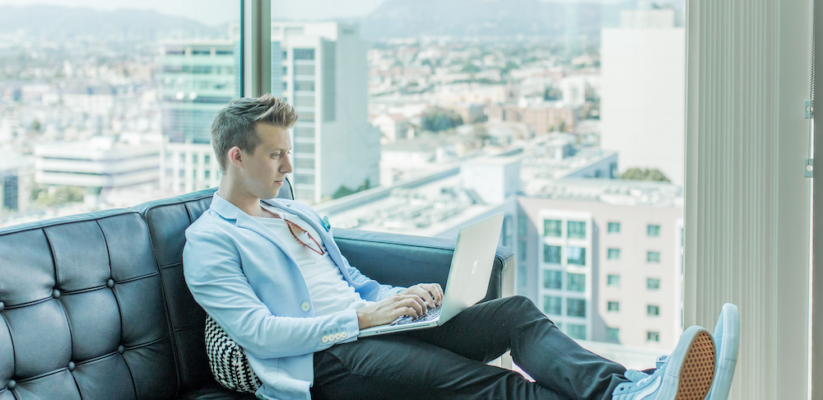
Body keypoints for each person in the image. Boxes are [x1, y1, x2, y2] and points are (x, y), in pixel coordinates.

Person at [183, 95, 728, 400]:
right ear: (236, 156)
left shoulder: (294, 211)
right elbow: (258, 333)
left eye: (288, 153)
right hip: (322, 360)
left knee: (515, 314)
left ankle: (626, 392)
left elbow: (354, 281)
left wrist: (406, 297)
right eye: (276, 155)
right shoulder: (209, 241)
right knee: (492, 385)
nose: (289, 167)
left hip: (371, 326)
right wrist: (365, 321)